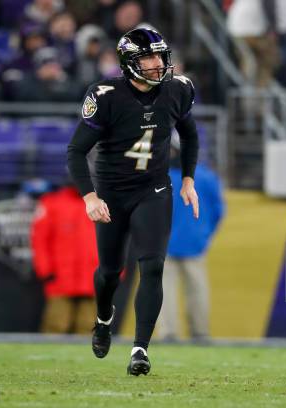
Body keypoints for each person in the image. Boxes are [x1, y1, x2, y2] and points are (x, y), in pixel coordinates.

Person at [67, 27, 199, 376]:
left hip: (153, 189)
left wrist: (188, 179)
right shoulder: (106, 94)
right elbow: (76, 151)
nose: (157, 64)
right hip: (111, 192)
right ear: (129, 63)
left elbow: (189, 134)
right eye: (148, 57)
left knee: (152, 266)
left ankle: (140, 349)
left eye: (160, 55)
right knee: (110, 272)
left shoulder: (178, 90)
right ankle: (103, 317)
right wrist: (90, 196)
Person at [157, 139, 224, 341]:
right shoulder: (206, 177)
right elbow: (218, 212)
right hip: (194, 244)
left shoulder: (161, 178)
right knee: (197, 291)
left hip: (164, 244)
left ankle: (168, 332)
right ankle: (200, 332)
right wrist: (205, 235)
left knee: (165, 291)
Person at [31, 182, 98, 334]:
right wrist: (45, 269)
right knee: (56, 324)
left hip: (92, 277)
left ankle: (87, 359)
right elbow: (39, 239)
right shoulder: (51, 202)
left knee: (89, 327)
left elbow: (115, 239)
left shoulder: (102, 202)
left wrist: (114, 271)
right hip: (60, 277)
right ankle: (49, 358)